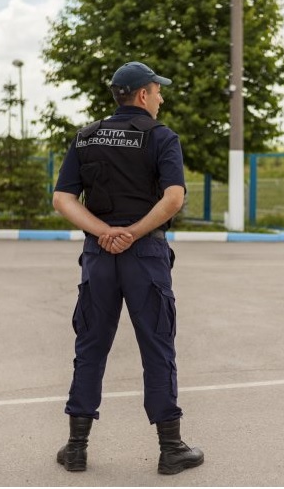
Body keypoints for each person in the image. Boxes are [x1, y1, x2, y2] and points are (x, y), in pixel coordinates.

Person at [51, 61, 204, 475]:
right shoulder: (161, 138)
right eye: (158, 91)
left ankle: (77, 448)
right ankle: (171, 449)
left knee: (90, 346)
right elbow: (173, 198)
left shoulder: (85, 138)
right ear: (141, 95)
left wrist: (105, 233)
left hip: (99, 258)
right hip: (145, 257)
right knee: (157, 346)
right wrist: (133, 233)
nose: (161, 98)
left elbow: (62, 199)